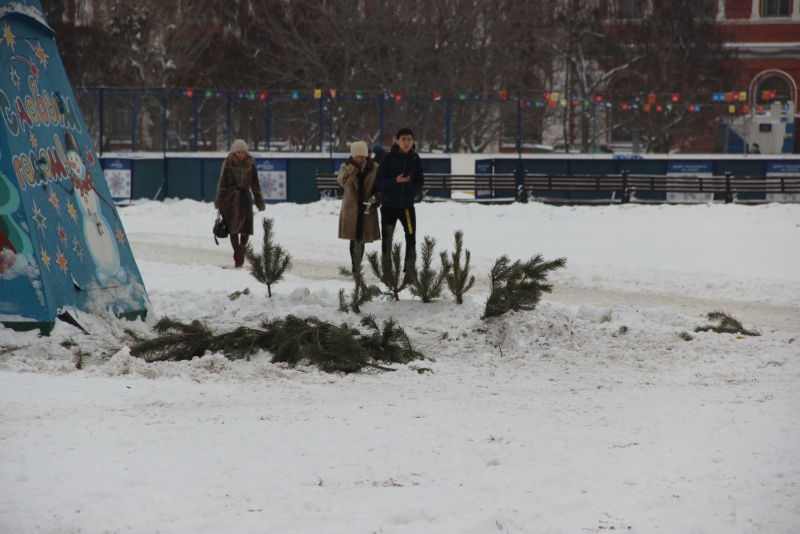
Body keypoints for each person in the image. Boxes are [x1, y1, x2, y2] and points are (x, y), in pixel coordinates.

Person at [375, 127, 424, 277]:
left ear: (413, 141)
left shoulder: (415, 159)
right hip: (389, 206)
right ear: (397, 141)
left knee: (411, 237)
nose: (406, 142)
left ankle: (409, 271)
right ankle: (387, 271)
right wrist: (395, 181)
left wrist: (412, 192)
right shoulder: (388, 158)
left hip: (407, 207)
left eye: (409, 139)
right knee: (387, 240)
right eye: (403, 139)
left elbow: (420, 180)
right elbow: (379, 182)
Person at [214, 139, 265, 268]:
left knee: (246, 227)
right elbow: (222, 184)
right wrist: (220, 200)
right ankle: (237, 253)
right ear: (234, 152)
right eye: (239, 152)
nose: (241, 155)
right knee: (233, 228)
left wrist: (259, 201)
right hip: (230, 199)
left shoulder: (250, 165)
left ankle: (241, 250)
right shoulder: (228, 164)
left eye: (243, 152)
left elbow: (255, 185)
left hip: (245, 198)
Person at [337, 141, 380, 272]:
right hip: (352, 209)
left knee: (362, 239)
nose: (360, 159)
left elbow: (380, 186)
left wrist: (376, 197)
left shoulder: (375, 167)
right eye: (357, 156)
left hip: (367, 209)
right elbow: (343, 182)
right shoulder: (346, 167)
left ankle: (358, 266)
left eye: (363, 156)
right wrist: (353, 167)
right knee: (354, 239)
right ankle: (356, 268)